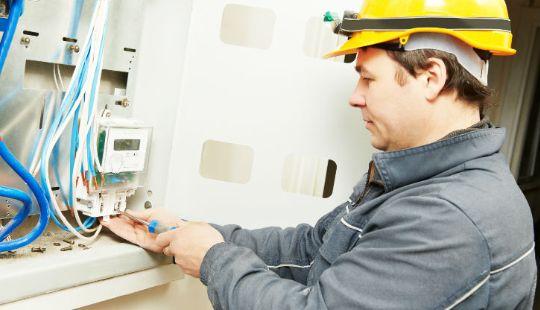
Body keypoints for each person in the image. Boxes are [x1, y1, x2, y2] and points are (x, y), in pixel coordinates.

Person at [102, 0, 537, 308]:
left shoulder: (449, 218)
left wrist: (215, 259)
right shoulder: (423, 180)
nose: (355, 97)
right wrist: (194, 232)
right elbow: (312, 249)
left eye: (368, 78)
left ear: (430, 78)